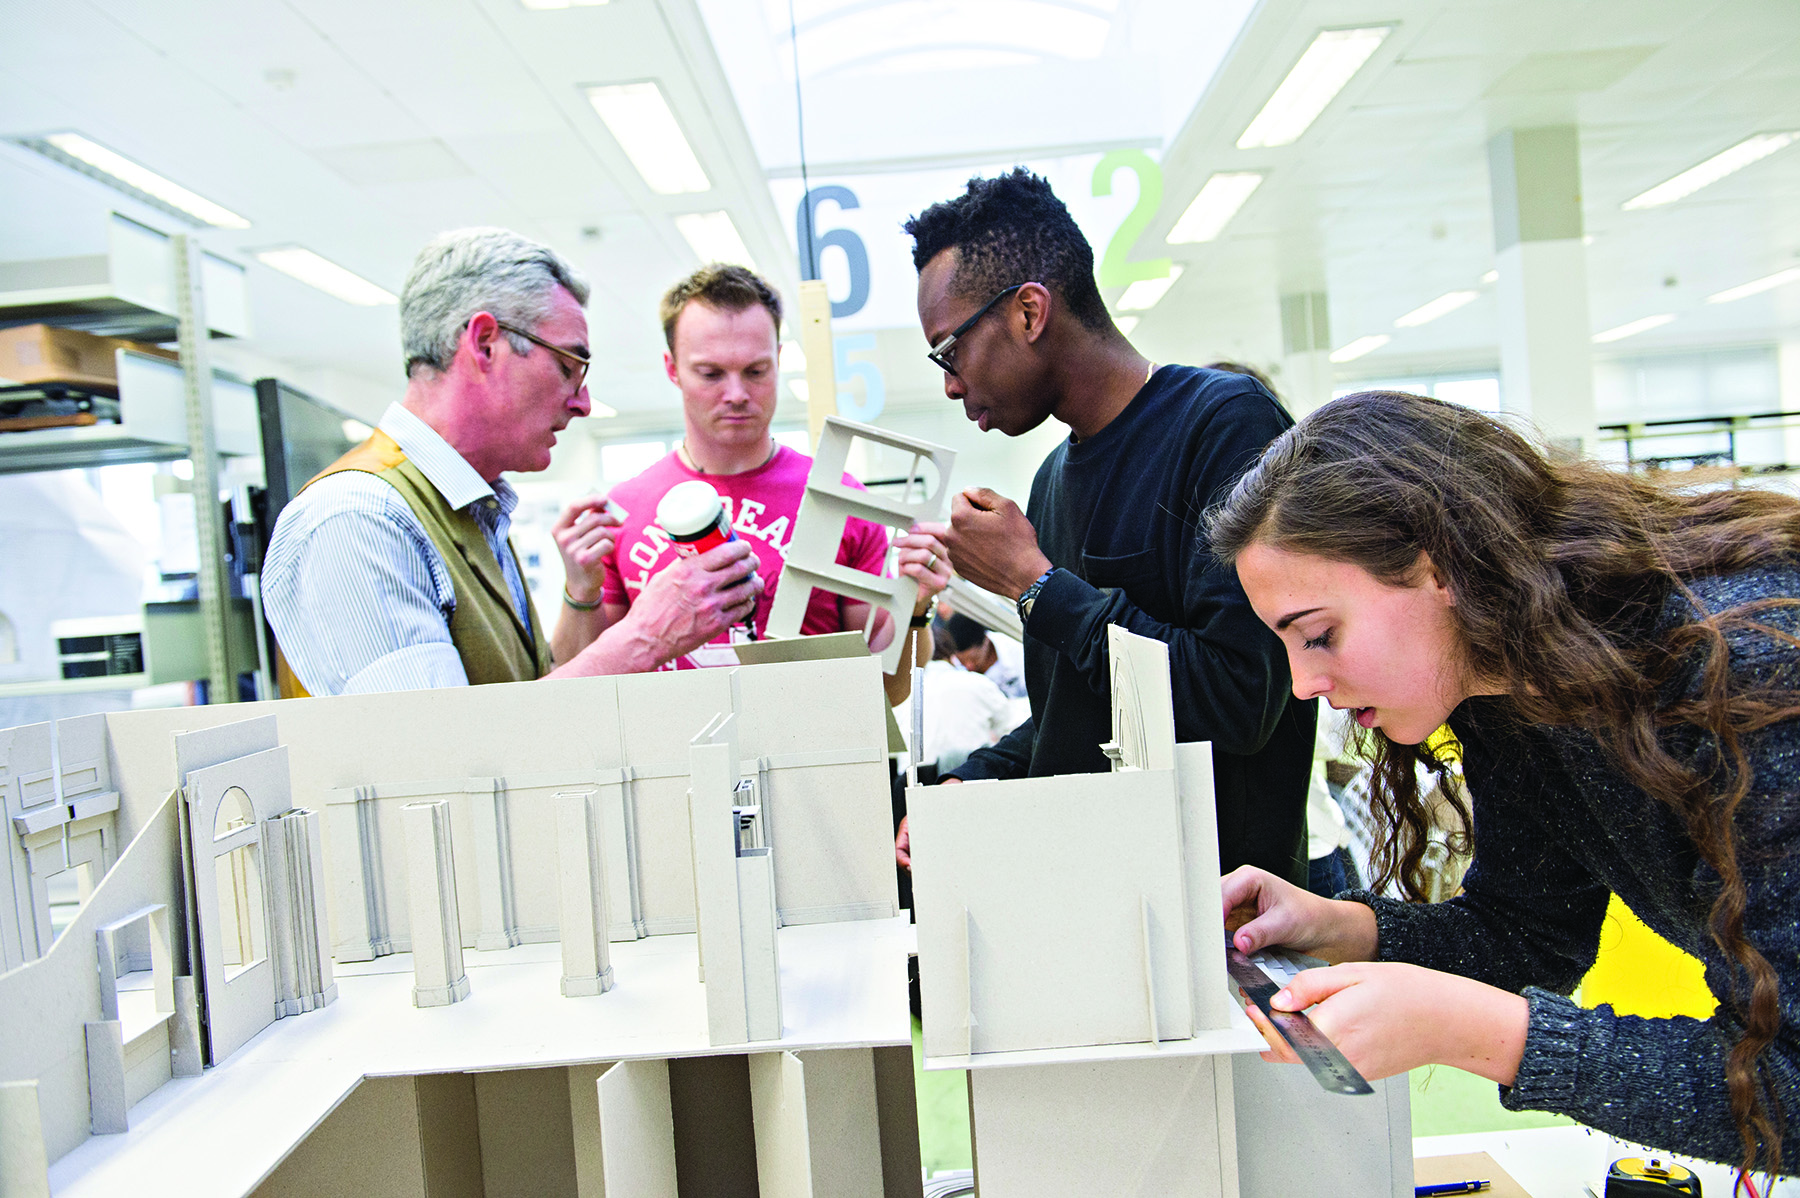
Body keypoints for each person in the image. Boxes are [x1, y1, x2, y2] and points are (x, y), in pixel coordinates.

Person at [1210, 389, 1800, 1176]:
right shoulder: (1510, 685)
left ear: (1439, 565)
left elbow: (1790, 1084)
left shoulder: (1749, 666)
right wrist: (1345, 928)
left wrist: (1482, 1032)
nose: (1304, 682)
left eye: (1320, 634)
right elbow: (1529, 935)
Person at [893, 167, 1315, 884]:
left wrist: (1035, 582)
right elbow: (1081, 716)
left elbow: (1240, 701)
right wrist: (984, 776)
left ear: (1029, 313)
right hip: (1098, 906)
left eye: (950, 350)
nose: (949, 383)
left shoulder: (1224, 426)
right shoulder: (1054, 480)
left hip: (1224, 926)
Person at [265, 228, 759, 696]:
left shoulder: (470, 511)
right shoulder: (358, 518)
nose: (582, 402)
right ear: (485, 344)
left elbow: (527, 698)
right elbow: (440, 762)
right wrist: (646, 636)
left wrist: (581, 595)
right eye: (568, 366)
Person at [595, 264, 948, 699]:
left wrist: (915, 610)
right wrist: (576, 591)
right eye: (710, 374)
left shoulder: (839, 499)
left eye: (756, 371)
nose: (737, 393)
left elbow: (885, 690)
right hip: (670, 759)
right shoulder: (624, 509)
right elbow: (589, 691)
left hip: (810, 756)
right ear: (672, 369)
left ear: (779, 359)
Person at [942, 612, 1025, 698]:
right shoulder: (951, 668)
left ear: (986, 641)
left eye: (973, 659)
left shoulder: (1016, 651)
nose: (969, 667)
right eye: (962, 661)